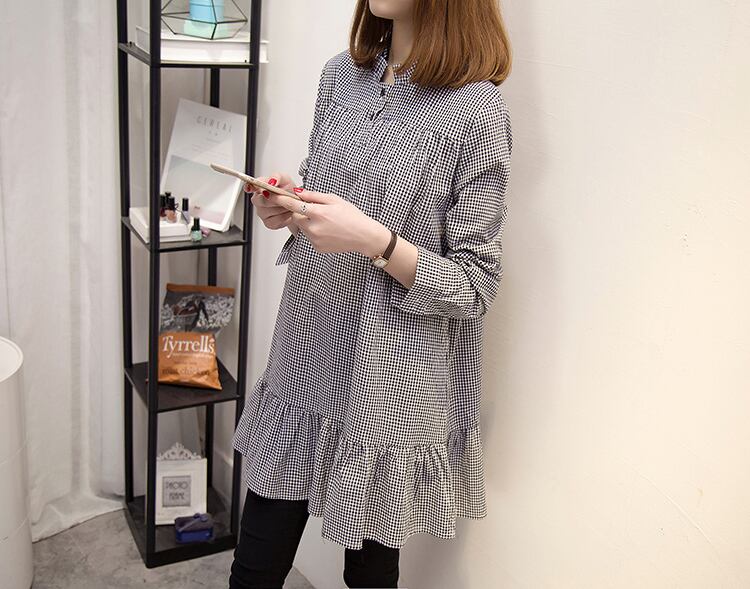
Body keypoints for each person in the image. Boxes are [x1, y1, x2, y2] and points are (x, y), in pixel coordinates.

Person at [229, 0, 513, 587]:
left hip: (387, 383)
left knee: (370, 574)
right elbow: (323, 199)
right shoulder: (342, 75)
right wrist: (287, 205)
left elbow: (475, 284)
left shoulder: (477, 110)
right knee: (253, 568)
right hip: (305, 353)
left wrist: (376, 242)